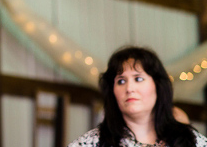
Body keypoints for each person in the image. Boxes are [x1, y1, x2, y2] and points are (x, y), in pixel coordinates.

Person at [68, 46, 207, 147]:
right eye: (121, 81)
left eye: (138, 79)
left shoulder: (190, 141)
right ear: (112, 91)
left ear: (157, 86)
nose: (129, 88)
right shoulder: (93, 142)